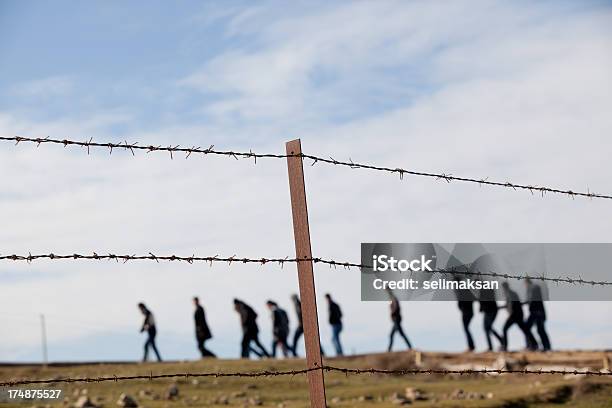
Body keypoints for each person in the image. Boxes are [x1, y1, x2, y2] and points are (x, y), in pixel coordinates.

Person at [501, 282, 537, 351]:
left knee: (505, 329)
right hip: (518, 315)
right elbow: (510, 304)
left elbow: (513, 304)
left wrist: (510, 314)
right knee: (525, 330)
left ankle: (504, 346)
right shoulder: (511, 293)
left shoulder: (510, 294)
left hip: (515, 315)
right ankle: (534, 344)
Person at [524, 278, 551, 351]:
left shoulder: (534, 288)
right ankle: (544, 347)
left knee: (529, 328)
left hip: (537, 312)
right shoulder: (532, 288)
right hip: (537, 312)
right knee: (539, 330)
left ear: (527, 282)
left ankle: (534, 345)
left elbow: (533, 300)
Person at [455, 280, 476, 352]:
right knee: (467, 329)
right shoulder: (467, 291)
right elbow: (473, 299)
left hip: (466, 312)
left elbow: (460, 304)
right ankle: (471, 346)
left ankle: (471, 346)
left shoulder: (460, 292)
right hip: (469, 312)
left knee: (466, 329)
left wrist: (463, 308)